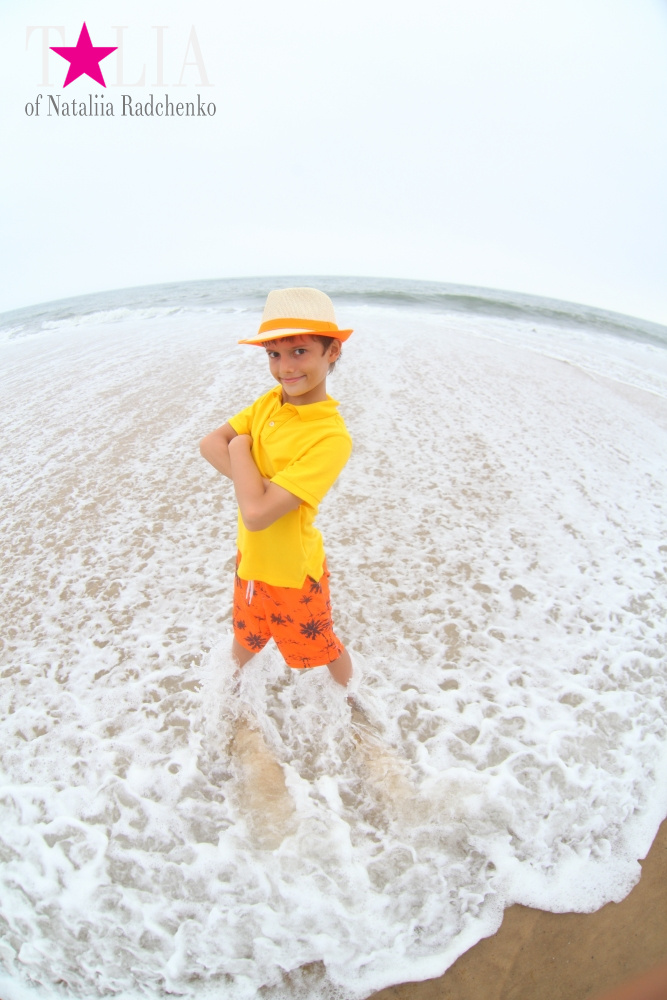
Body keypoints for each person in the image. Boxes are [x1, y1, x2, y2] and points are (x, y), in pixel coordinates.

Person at [199, 287, 354, 687]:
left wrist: (239, 446)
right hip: (250, 562)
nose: (285, 367)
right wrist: (256, 485)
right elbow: (207, 444)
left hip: (294, 571)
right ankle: (228, 698)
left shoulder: (330, 437)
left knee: (324, 648)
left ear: (331, 351)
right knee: (247, 639)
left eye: (299, 351)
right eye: (273, 354)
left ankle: (354, 707)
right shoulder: (269, 402)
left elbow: (256, 514)